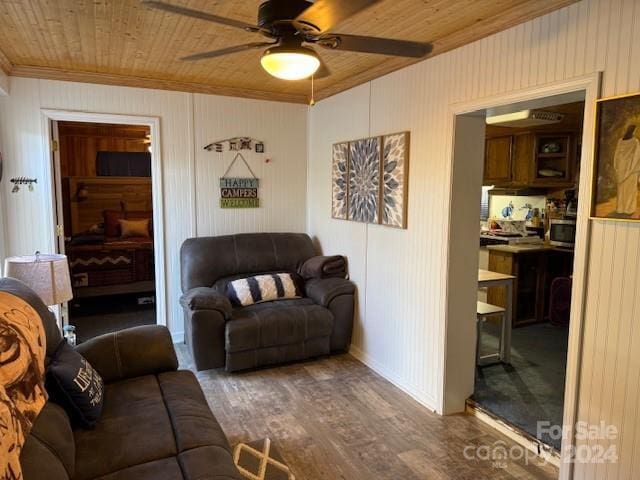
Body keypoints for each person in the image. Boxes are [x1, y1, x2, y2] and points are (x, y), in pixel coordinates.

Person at [614, 124, 640, 215]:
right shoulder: (635, 142)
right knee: (630, 191)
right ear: (633, 131)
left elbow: (616, 156)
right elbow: (637, 157)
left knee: (622, 190)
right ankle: (629, 209)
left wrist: (617, 167)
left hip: (621, 168)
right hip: (632, 170)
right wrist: (632, 168)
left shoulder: (620, 141)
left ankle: (620, 209)